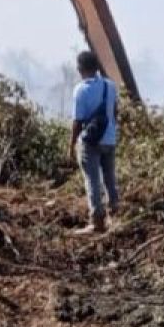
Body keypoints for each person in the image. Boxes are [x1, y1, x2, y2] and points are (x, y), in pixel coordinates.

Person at [69, 50, 119, 234]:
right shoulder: (110, 86)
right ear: (97, 67)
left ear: (80, 69)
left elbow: (78, 121)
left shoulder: (81, 90)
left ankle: (97, 221)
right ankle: (115, 212)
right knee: (110, 177)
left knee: (92, 180)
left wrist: (72, 144)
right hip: (109, 138)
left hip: (90, 142)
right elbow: (115, 111)